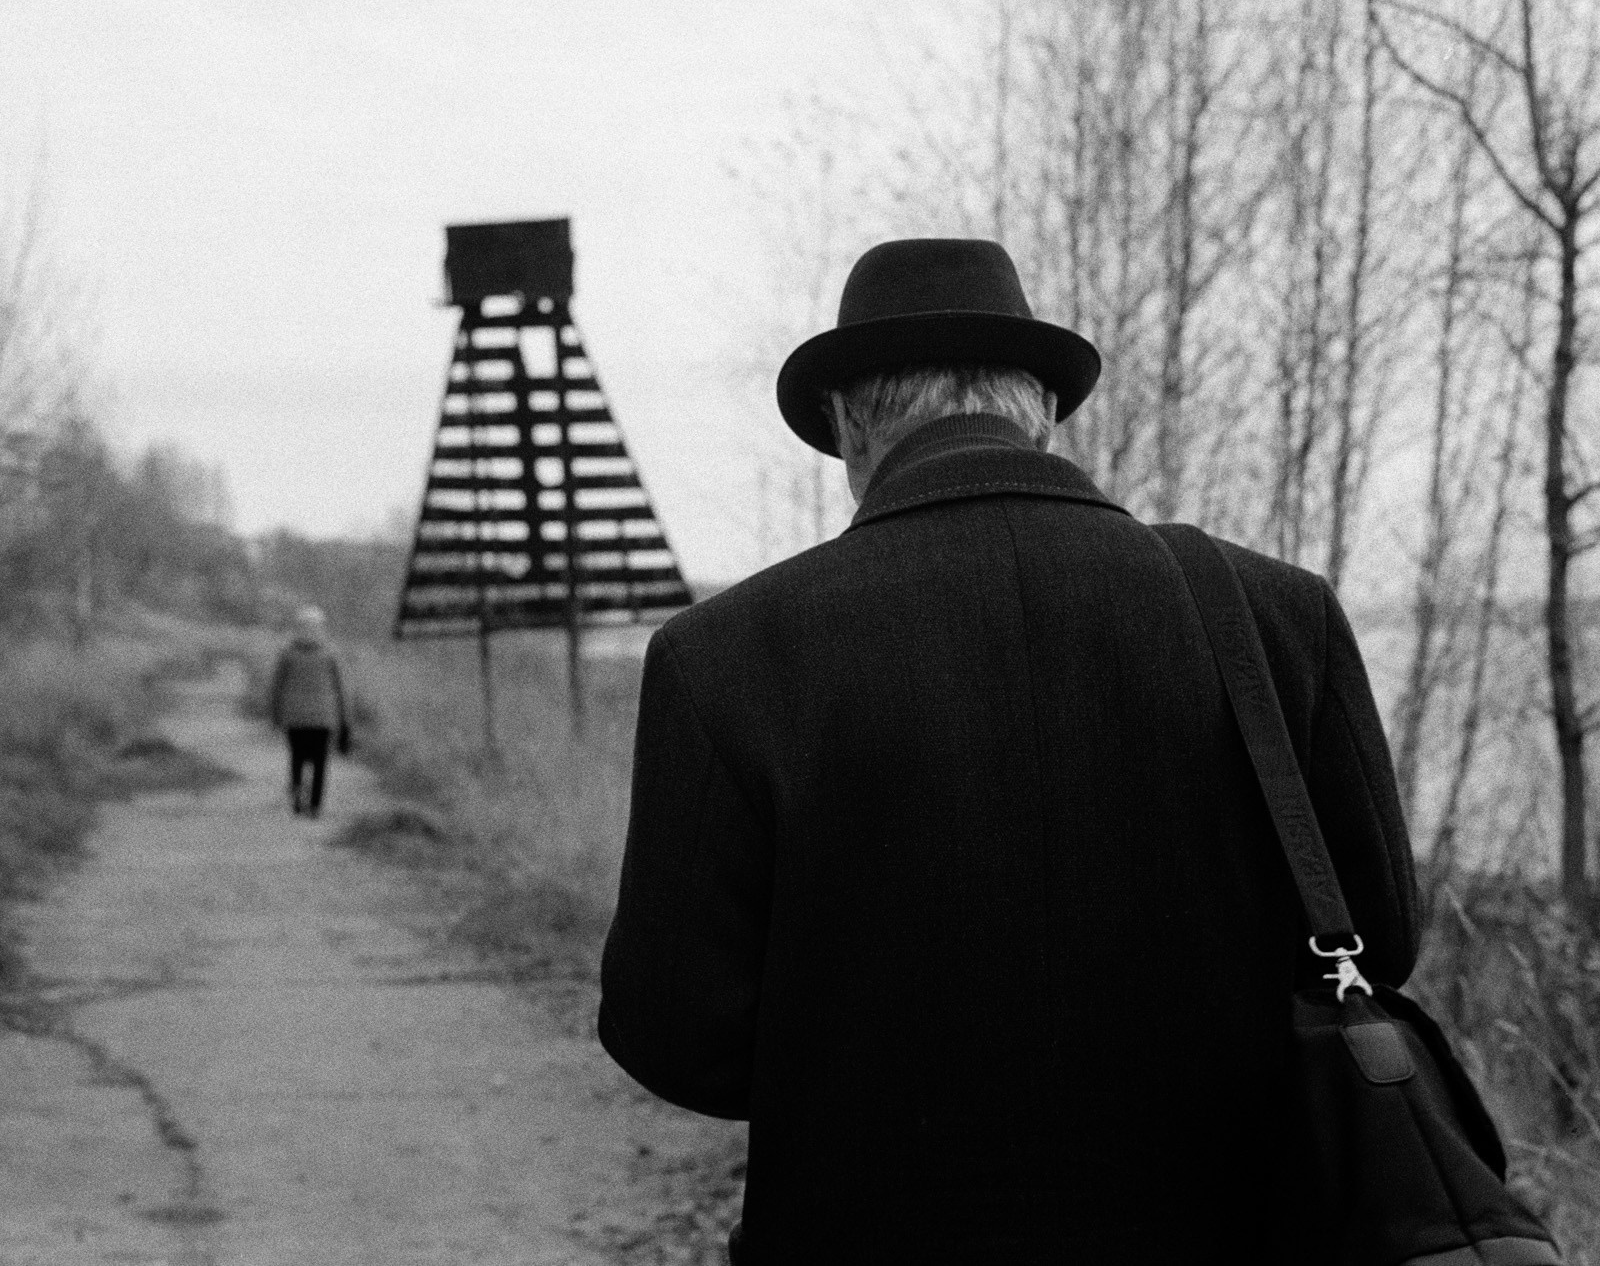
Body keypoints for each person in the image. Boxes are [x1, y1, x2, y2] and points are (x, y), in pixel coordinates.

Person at [597, 239, 1418, 1264]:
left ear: (848, 425)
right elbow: (1376, 944)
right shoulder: (1275, 617)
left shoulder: (724, 655)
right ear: (1043, 410)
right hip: (1237, 1233)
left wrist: (854, 1078)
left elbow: (671, 1033)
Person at [258, 605, 351, 817]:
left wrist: (275, 717)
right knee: (320, 761)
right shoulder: (331, 654)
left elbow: (276, 688)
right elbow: (342, 689)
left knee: (297, 757)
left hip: (294, 718)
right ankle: (315, 804)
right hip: (323, 718)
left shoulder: (287, 654)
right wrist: (346, 721)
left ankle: (298, 797)